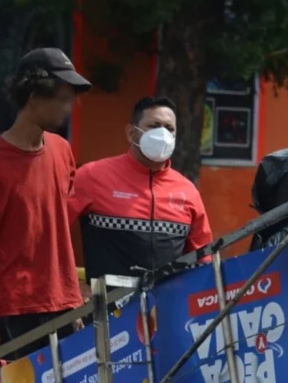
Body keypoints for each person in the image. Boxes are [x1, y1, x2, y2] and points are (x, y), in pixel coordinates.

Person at [0, 48, 91, 380]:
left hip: (60, 309)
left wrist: (73, 300)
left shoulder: (62, 151)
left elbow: (57, 231)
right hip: (8, 312)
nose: (67, 108)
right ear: (33, 96)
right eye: (61, 98)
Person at [68, 96, 213, 280]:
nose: (162, 134)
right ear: (131, 133)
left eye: (169, 128)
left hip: (167, 305)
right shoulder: (92, 176)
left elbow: (203, 256)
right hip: (109, 304)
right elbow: (52, 231)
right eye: (153, 125)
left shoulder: (188, 191)